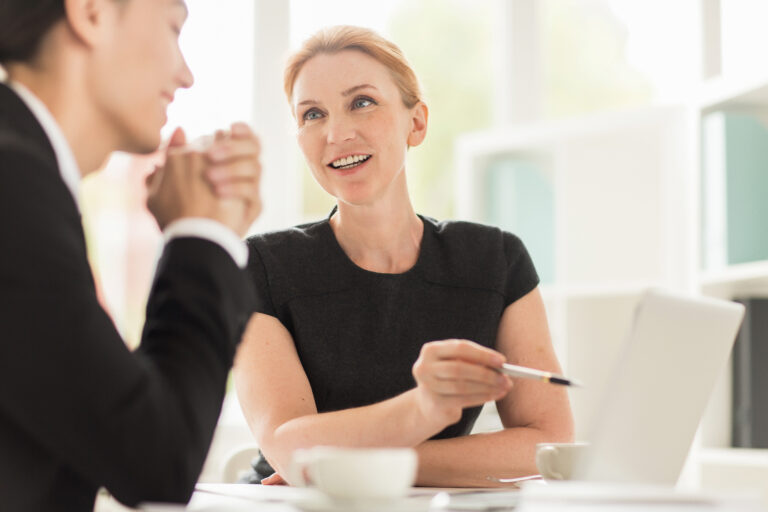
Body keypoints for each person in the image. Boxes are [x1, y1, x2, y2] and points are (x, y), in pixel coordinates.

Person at [234, 25, 573, 488]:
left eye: (362, 102)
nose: (336, 133)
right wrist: (424, 409)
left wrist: (354, 464)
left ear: (416, 123)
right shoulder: (260, 266)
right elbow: (289, 446)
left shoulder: (496, 261)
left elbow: (548, 439)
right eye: (313, 114)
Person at [0, 0, 262, 510]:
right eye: (173, 27)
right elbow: (156, 462)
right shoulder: (13, 186)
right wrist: (201, 235)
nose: (186, 75)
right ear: (92, 12)